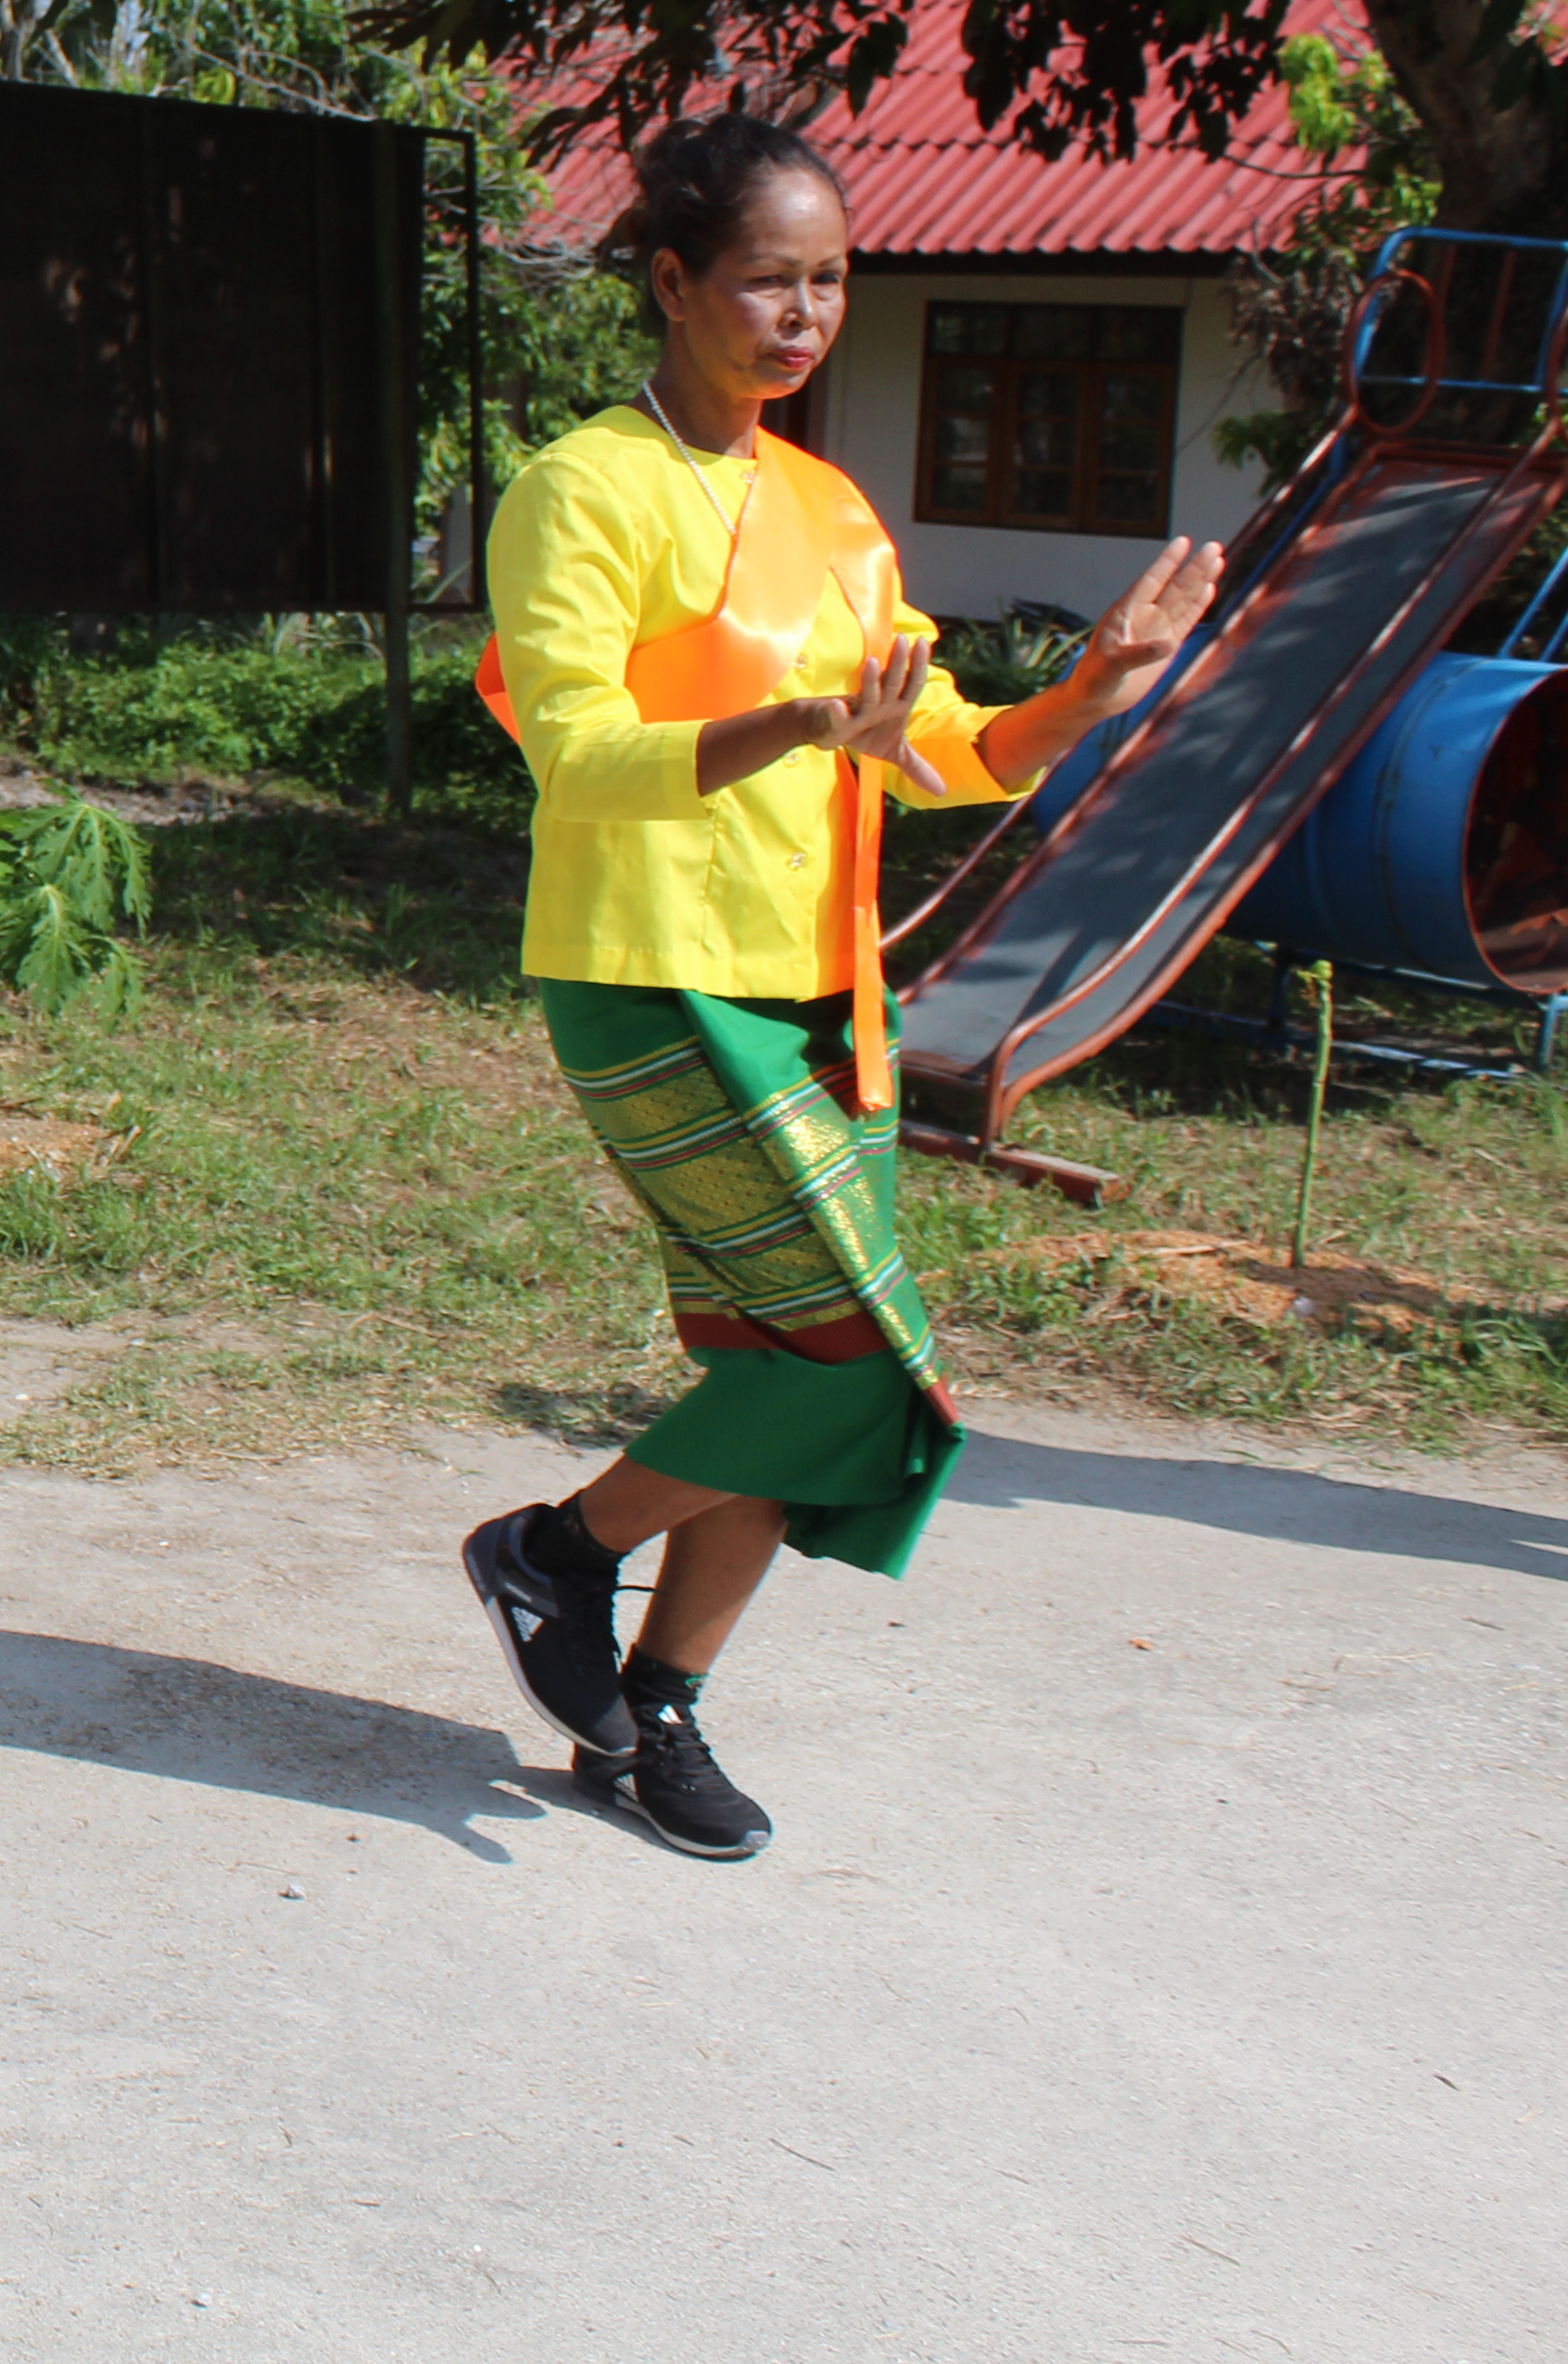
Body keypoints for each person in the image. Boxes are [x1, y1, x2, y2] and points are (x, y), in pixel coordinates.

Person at [459, 117, 1220, 1861]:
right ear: (668, 282)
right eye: (763, 281)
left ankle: (649, 1712)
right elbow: (574, 754)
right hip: (652, 976)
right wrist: (800, 722)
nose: (800, 316)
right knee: (860, 1364)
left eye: (825, 283)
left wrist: (1089, 686)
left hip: (820, 989)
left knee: (781, 1356)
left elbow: (938, 748)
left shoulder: (828, 508)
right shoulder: (581, 485)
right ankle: (555, 1553)